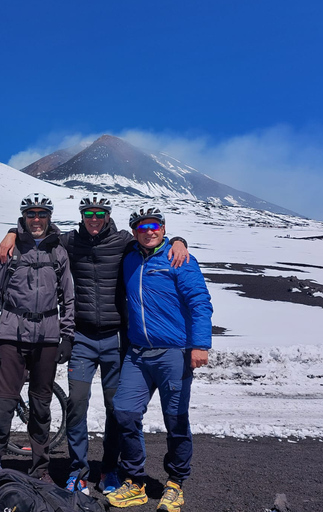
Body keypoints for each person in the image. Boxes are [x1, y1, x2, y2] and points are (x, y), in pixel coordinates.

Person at [0, 193, 189, 495]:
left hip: (115, 338)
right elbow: (39, 231)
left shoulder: (124, 241)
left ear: (108, 216)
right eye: (89, 214)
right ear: (82, 216)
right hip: (83, 338)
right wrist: (11, 233)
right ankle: (78, 470)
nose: (95, 219)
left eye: (100, 214)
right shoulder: (70, 241)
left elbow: (150, 238)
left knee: (116, 408)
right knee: (77, 404)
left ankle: (110, 468)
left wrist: (178, 240)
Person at [107, 205, 213, 512]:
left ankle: (175, 484)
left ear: (164, 229)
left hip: (173, 353)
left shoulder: (179, 259)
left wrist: (200, 344)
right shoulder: (129, 260)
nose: (149, 231)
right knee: (124, 412)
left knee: (176, 419)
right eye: (141, 227)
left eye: (154, 225)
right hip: (138, 354)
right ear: (134, 232)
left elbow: (200, 303)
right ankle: (135, 482)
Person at [0, 192, 76, 481]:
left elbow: (68, 297)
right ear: (23, 217)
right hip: (11, 335)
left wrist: (67, 335)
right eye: (31, 214)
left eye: (42, 214)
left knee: (41, 405)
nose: (37, 219)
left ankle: (40, 468)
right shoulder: (9, 250)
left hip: (47, 337)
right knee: (2, 402)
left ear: (50, 217)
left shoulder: (58, 251)